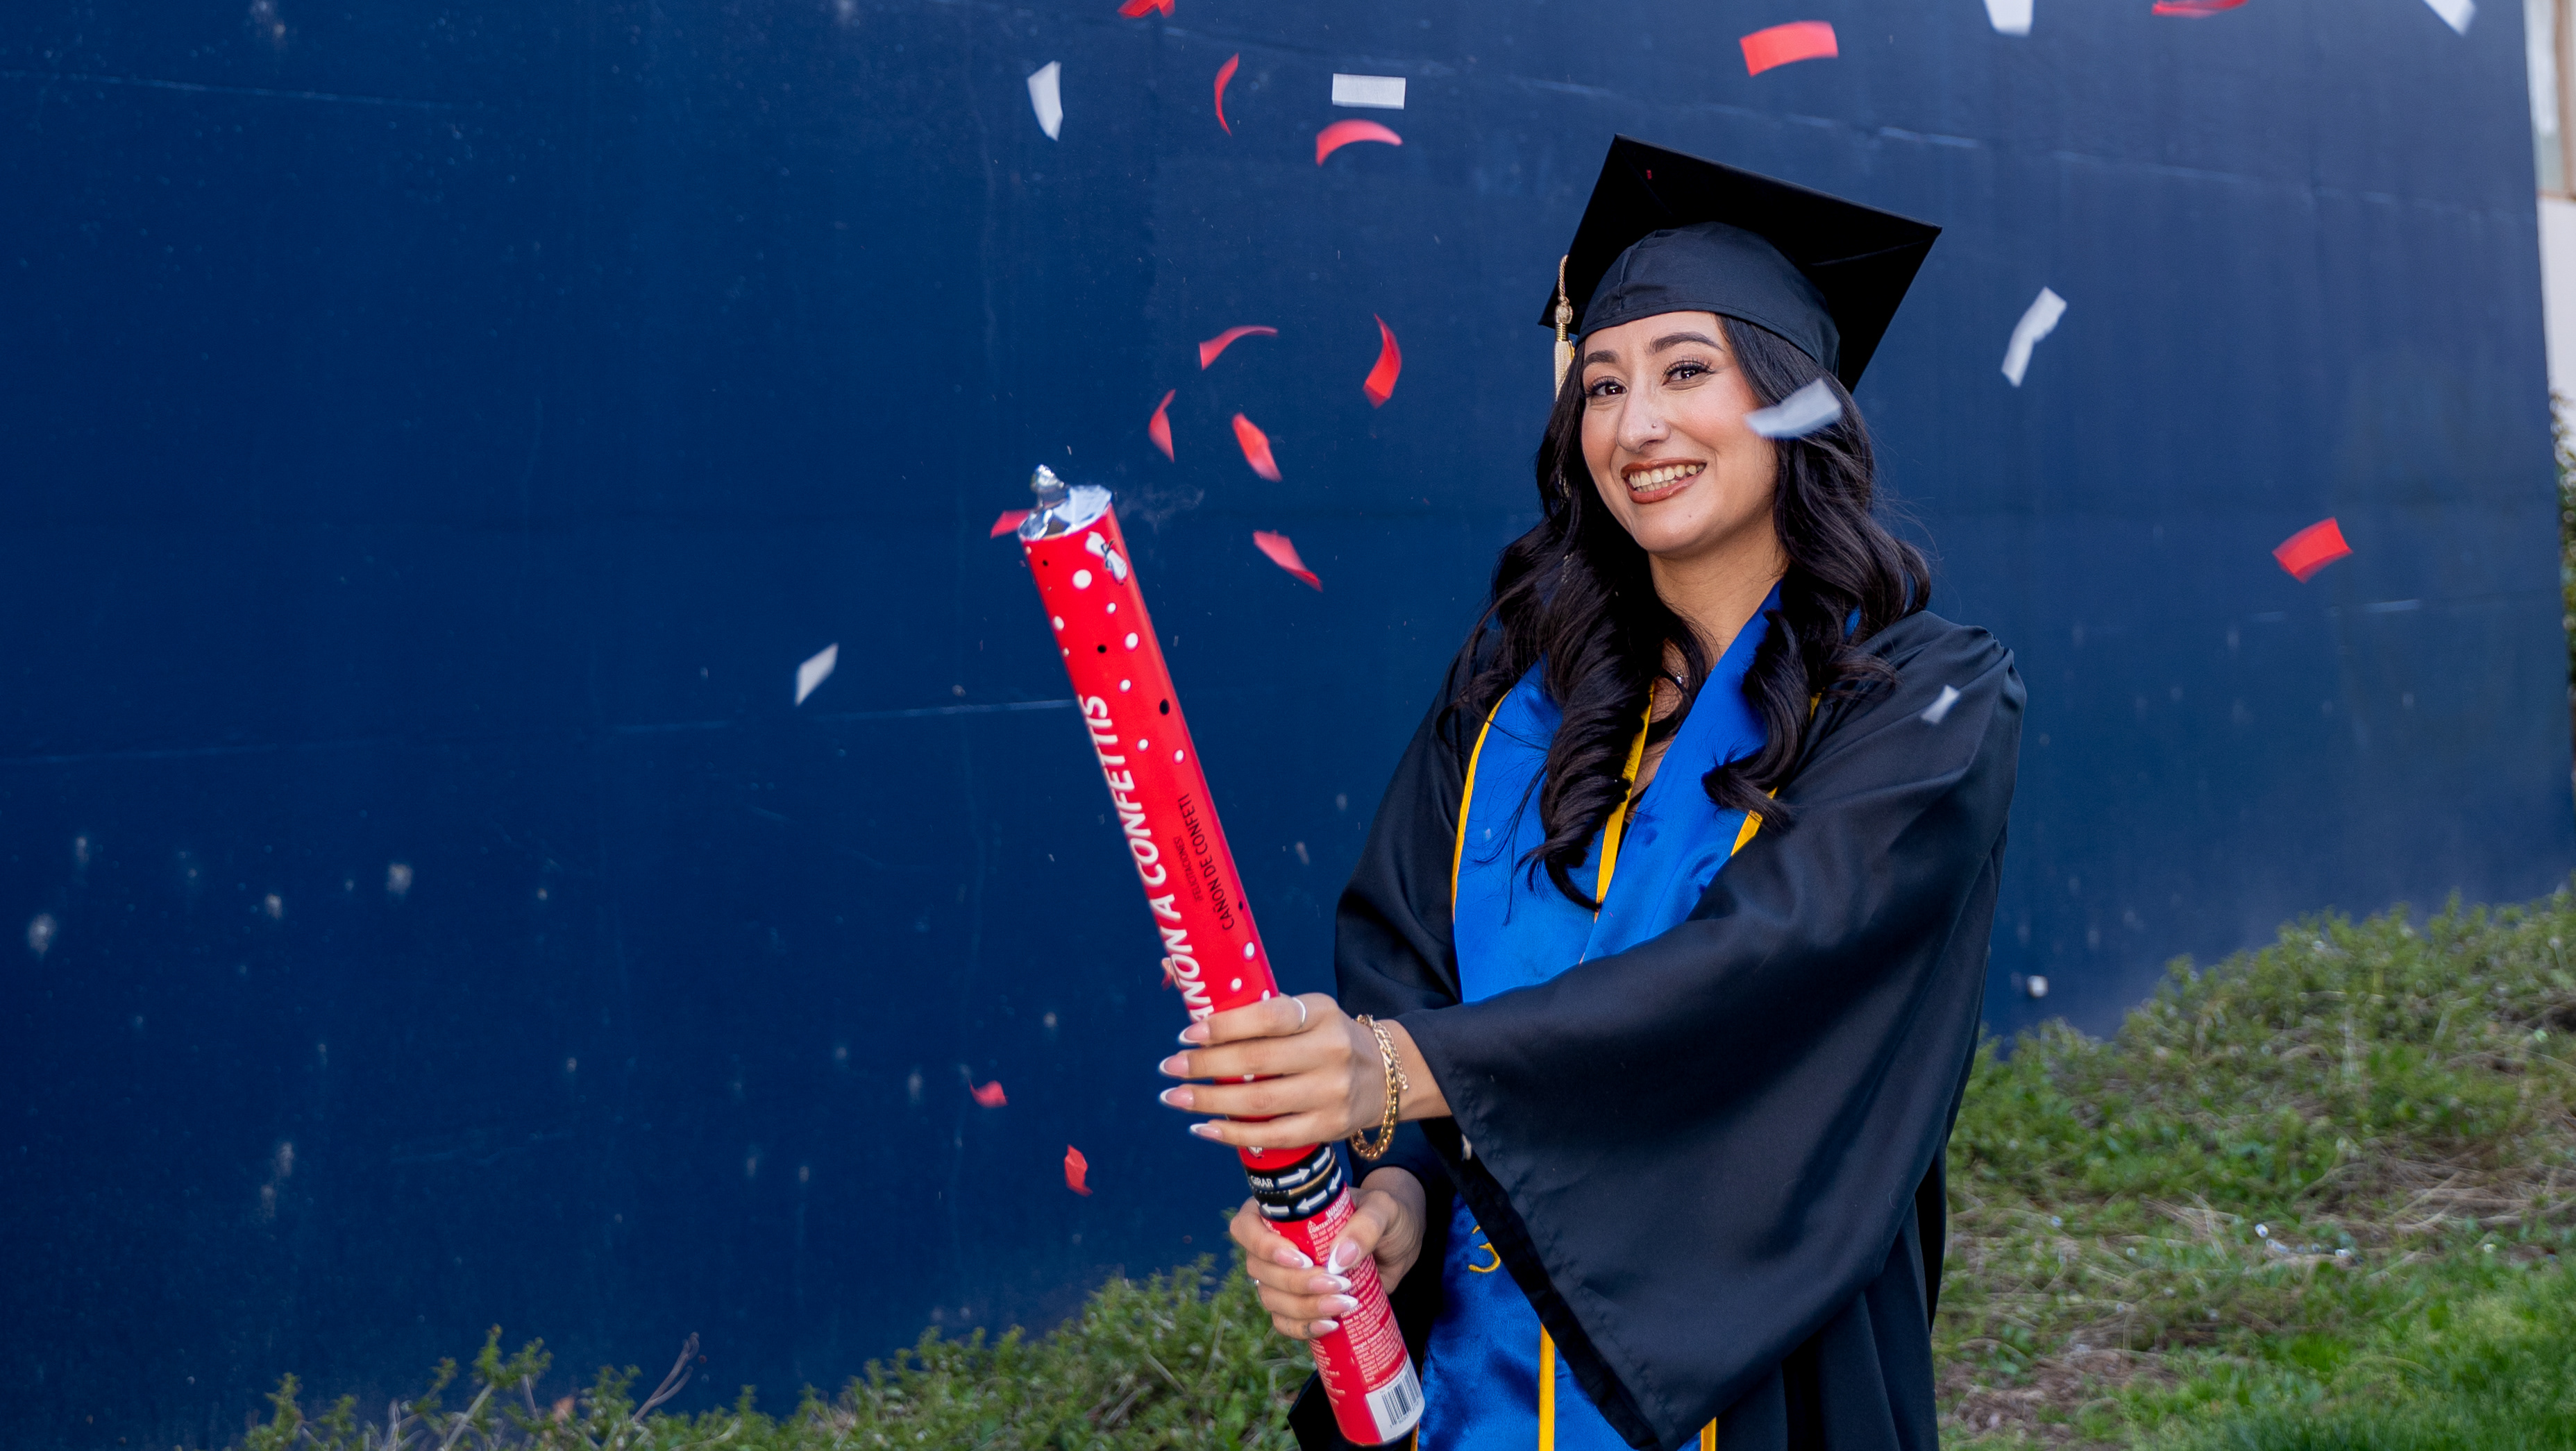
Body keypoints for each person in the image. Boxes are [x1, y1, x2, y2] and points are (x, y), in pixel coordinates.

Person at [1153, 137, 2023, 1451]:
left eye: (1687, 371)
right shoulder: (1511, 702)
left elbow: (1771, 968)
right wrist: (1398, 1197)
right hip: (1472, 1377)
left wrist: (1393, 1073)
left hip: (1752, 1370)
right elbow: (1406, 966)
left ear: (1795, 402)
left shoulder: (1924, 701)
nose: (1637, 425)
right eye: (1603, 384)